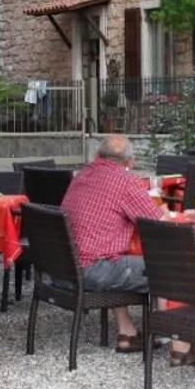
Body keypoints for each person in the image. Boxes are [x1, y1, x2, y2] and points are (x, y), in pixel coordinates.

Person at [59, 133, 161, 352]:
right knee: (169, 269)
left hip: (64, 267)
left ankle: (128, 334)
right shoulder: (125, 181)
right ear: (130, 162)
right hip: (94, 270)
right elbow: (156, 224)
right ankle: (179, 341)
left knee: (116, 255)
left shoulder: (82, 175)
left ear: (97, 154)